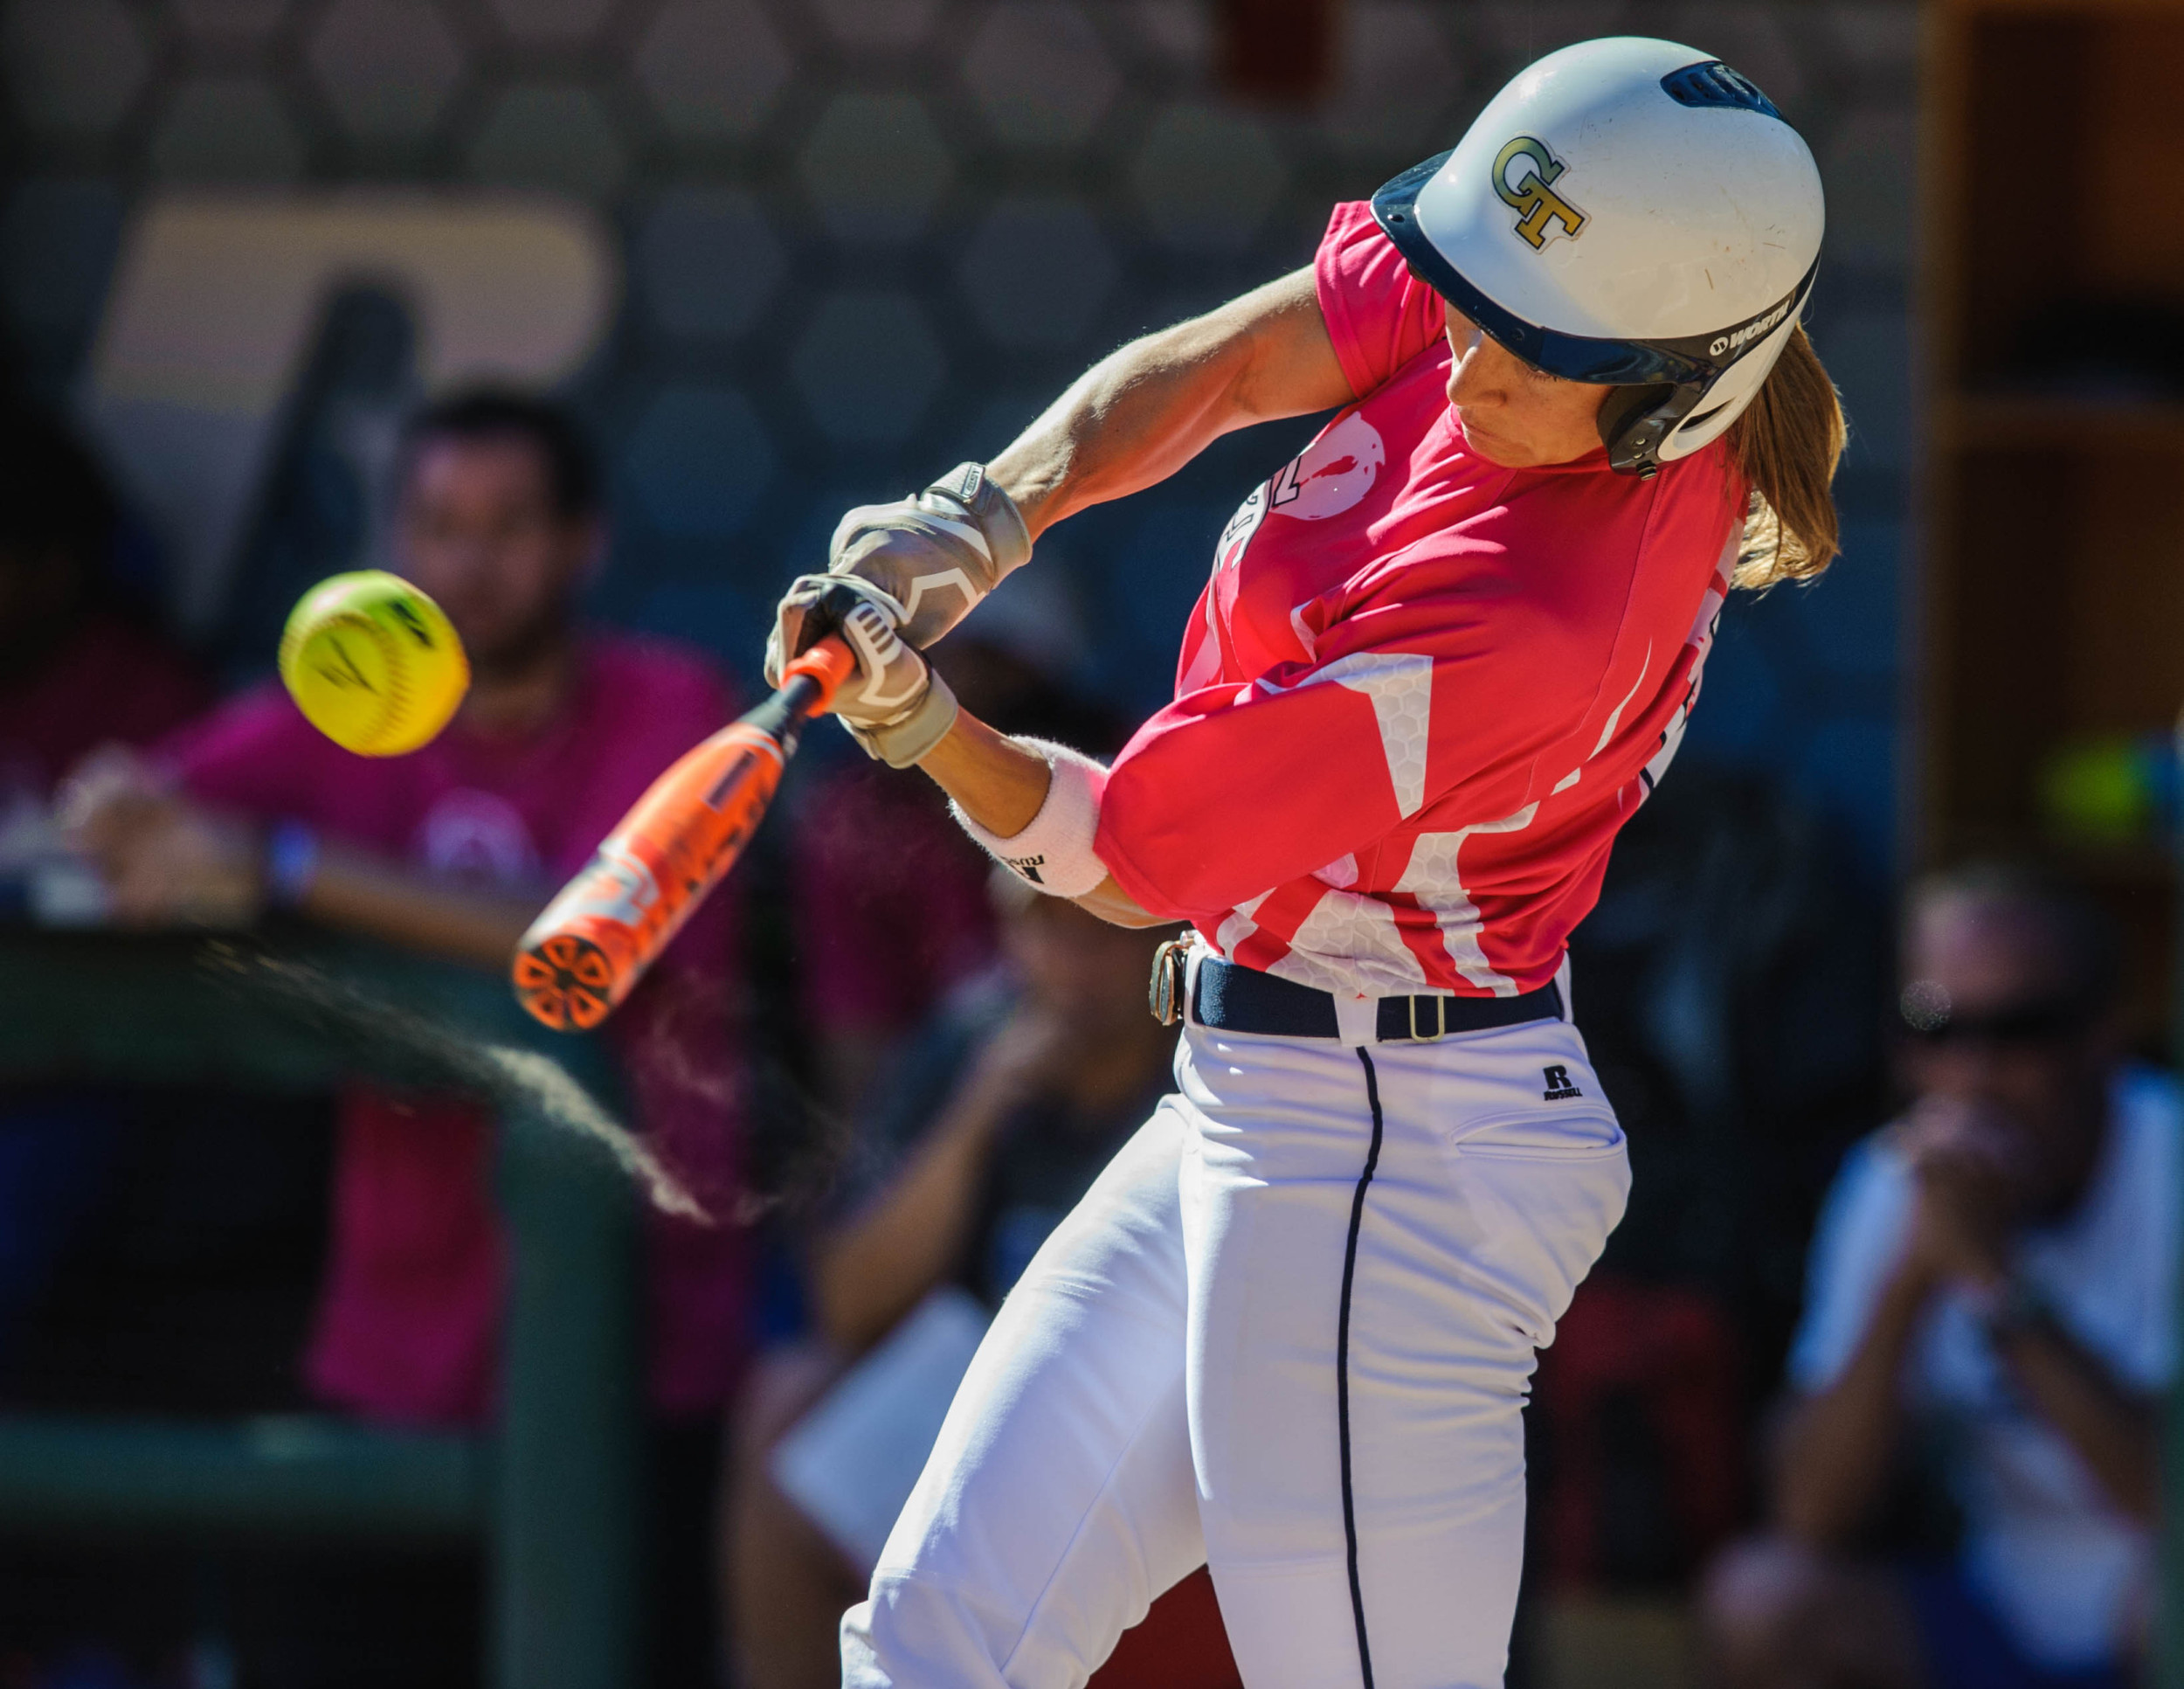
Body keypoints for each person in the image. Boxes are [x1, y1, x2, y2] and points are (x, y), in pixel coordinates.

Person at [763, 37, 1842, 1689]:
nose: (1465, 337)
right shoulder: (1547, 284)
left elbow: (1124, 853)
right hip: (1262, 1090)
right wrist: (983, 514)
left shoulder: (1526, 622)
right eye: (1466, 284)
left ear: (1672, 384)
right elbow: (1233, 363)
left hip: (1388, 1157)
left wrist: (919, 723)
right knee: (938, 1644)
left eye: (1525, 341)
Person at [61, 390, 750, 1680]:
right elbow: (137, 805)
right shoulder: (354, 706)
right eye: (437, 525)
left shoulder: (674, 707)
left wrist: (277, 863)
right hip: (388, 1355)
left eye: (507, 526)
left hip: (634, 1356)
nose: (470, 564)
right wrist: (123, 812)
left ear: (580, 545)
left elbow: (578, 935)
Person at [1704, 866, 2167, 1689]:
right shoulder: (1896, 1180)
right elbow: (1811, 1510)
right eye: (1935, 1026)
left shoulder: (2166, 1164)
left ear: (2104, 1035)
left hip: (2150, 1605)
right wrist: (1912, 1277)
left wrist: (1999, 1284)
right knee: (1763, 1601)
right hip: (1998, 1601)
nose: (1975, 1072)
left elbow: (2165, 1502)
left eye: (2021, 1029)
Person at [728, 875, 1182, 1688]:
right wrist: (977, 1113)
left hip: (1149, 1410)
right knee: (787, 1404)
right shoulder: (978, 1034)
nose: (1078, 961)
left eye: (1104, 931)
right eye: (1050, 928)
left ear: (1162, 939)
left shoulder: (1208, 1061)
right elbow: (849, 1302)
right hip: (979, 1380)